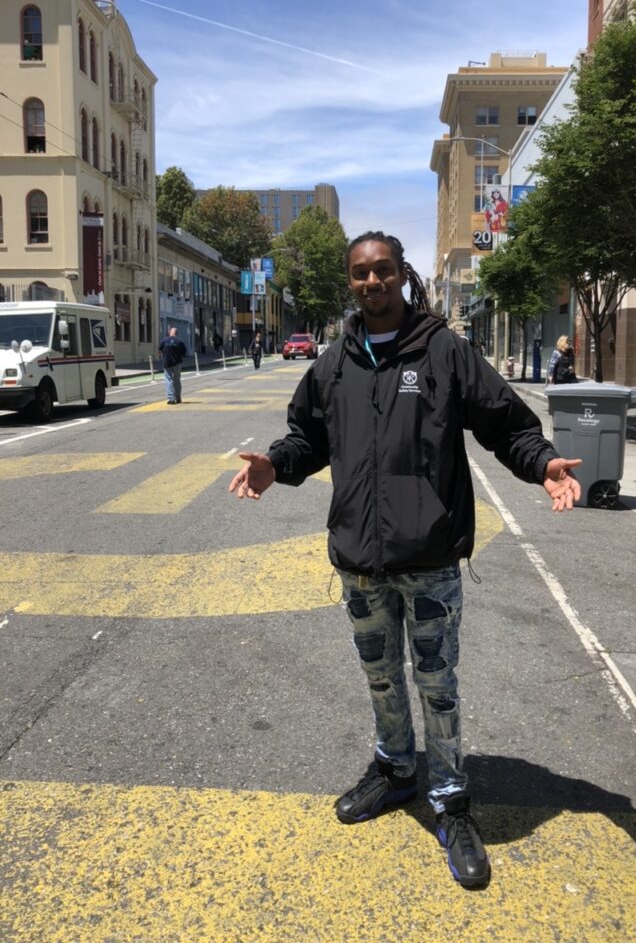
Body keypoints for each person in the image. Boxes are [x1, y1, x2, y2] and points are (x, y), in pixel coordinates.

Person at [228, 231, 581, 890]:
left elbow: (505, 422)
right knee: (382, 680)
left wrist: (543, 464)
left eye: (383, 270)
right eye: (361, 274)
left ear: (402, 276)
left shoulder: (444, 350)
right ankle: (394, 769)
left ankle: (449, 797)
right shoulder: (334, 363)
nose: (372, 282)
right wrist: (276, 464)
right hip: (359, 561)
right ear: (352, 283)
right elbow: (308, 434)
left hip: (429, 560)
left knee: (437, 685)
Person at [158, 326, 186, 405]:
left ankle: (171, 399)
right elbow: (184, 352)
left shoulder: (164, 340)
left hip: (167, 363)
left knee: (169, 380)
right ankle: (178, 398)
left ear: (169, 332)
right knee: (177, 381)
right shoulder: (180, 341)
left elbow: (159, 351)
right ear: (176, 333)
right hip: (177, 363)